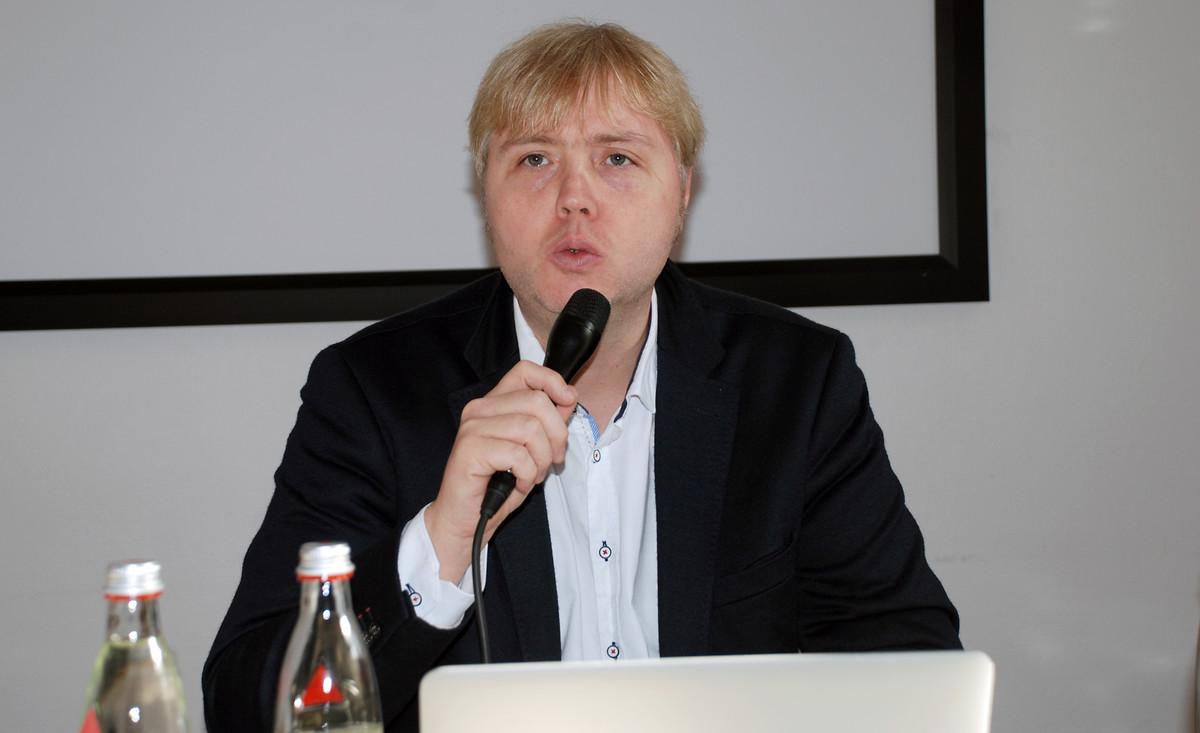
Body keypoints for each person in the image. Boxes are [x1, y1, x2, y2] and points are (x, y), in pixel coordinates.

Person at [203, 20, 960, 732]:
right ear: (486, 194)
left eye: (617, 158)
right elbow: (245, 705)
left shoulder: (797, 384)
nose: (574, 198)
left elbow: (908, 666)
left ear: (682, 192)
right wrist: (439, 543)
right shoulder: (371, 390)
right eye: (534, 159)